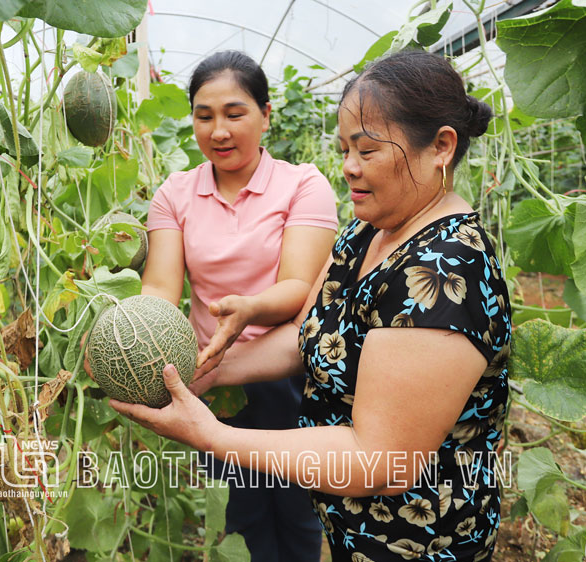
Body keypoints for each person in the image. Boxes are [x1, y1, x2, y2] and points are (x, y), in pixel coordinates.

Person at [114, 50, 512, 562]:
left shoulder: (444, 271)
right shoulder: (366, 234)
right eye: (345, 148)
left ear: (441, 146)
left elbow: (380, 461)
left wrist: (210, 434)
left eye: (367, 151)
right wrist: (209, 371)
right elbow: (307, 334)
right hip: (353, 532)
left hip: (419, 543)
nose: (348, 168)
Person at [141, 50, 339, 560]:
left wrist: (248, 308)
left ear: (266, 114)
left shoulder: (303, 185)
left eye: (234, 113)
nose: (219, 131)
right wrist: (133, 335)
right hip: (213, 377)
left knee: (298, 511)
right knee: (240, 516)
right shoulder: (174, 194)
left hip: (291, 371)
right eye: (204, 116)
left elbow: (300, 286)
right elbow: (160, 289)